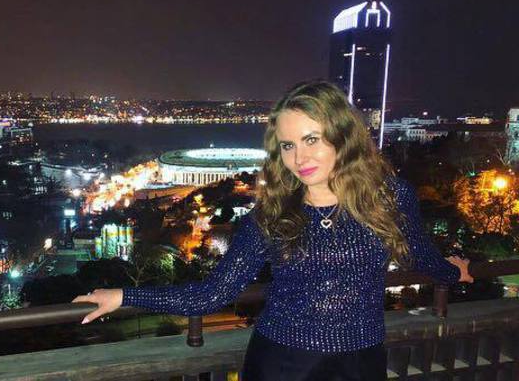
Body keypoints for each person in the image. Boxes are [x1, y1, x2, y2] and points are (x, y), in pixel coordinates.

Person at [72, 81, 473, 380]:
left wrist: (453, 272)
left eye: (311, 139)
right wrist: (124, 295)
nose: (300, 157)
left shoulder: (391, 197)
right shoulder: (271, 216)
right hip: (283, 364)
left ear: (342, 136)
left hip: (361, 362)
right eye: (287, 145)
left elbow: (418, 254)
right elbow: (214, 293)